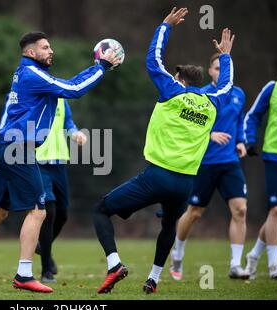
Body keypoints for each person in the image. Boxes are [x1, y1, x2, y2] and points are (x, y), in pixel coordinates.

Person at [0, 31, 120, 293]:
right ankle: (24, 275)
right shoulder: (32, 73)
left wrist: (97, 67)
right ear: (31, 53)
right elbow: (74, 90)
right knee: (38, 211)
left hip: (11, 149)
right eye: (44, 47)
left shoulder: (30, 72)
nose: (50, 50)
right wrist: (103, 67)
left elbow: (71, 84)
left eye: (50, 46)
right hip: (19, 150)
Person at [93, 7, 235, 294]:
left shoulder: (172, 91)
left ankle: (114, 264)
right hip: (185, 184)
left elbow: (153, 59)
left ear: (179, 79)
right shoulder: (212, 102)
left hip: (156, 177)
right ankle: (154, 278)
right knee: (169, 224)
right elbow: (228, 85)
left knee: (101, 210)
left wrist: (165, 26)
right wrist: (226, 56)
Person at [169, 53, 248, 281]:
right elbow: (185, 126)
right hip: (204, 162)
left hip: (230, 162)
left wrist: (240, 140)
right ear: (211, 71)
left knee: (240, 210)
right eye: (216, 68)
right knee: (194, 212)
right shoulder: (201, 94)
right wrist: (209, 134)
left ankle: (235, 264)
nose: (221, 71)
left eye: (224, 68)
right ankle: (178, 254)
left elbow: (239, 120)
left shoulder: (238, 94)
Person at [35, 98, 87, 283]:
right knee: (49, 212)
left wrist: (76, 134)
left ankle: (42, 246)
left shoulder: (61, 100)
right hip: (39, 163)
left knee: (63, 214)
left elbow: (68, 124)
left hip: (59, 164)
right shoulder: (34, 98)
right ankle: (46, 270)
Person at [243, 78, 277, 280]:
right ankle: (274, 265)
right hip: (275, 156)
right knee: (276, 210)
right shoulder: (273, 88)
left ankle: (254, 254)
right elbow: (253, 115)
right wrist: (250, 140)